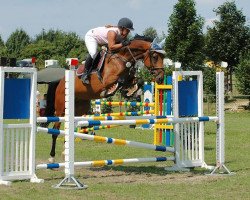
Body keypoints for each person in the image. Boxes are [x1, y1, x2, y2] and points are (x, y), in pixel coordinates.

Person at [81, 17, 134, 84]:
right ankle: (85, 74)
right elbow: (111, 47)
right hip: (92, 36)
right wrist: (122, 44)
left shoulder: (122, 33)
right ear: (122, 28)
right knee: (94, 53)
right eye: (128, 30)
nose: (128, 32)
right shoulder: (112, 32)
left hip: (104, 40)